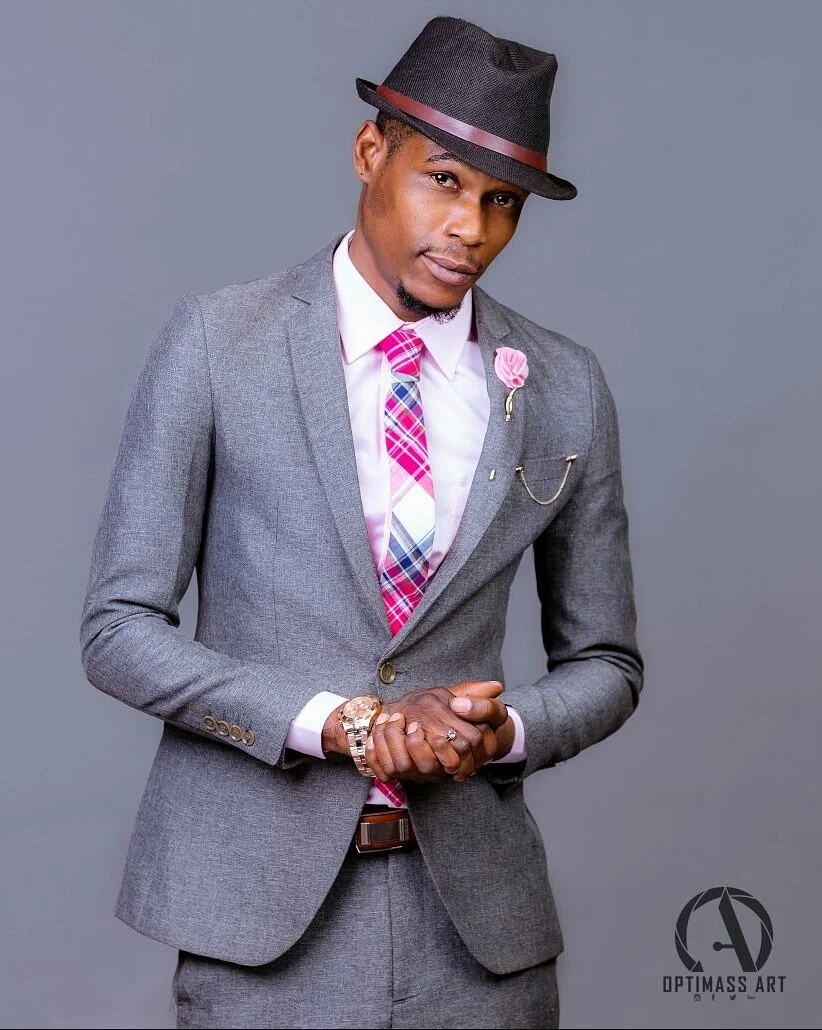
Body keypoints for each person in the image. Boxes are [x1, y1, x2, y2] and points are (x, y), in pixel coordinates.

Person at [80, 14, 643, 1030]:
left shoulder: (564, 386)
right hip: (262, 932)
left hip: (480, 938)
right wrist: (346, 723)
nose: (470, 228)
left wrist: (501, 732)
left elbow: (607, 660)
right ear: (370, 151)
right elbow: (118, 630)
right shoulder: (219, 344)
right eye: (443, 179)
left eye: (501, 201)